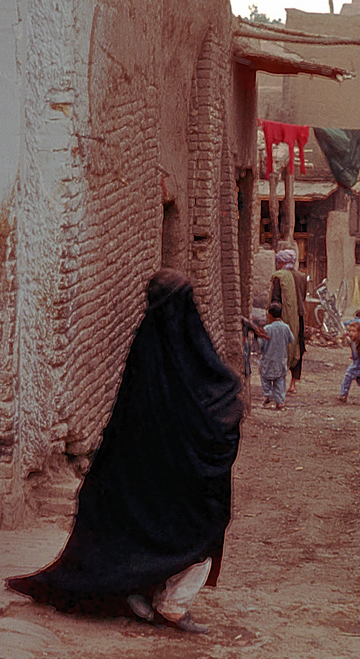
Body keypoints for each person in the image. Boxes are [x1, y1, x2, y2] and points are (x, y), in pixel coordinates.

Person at [6, 269, 243, 635]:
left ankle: (137, 593)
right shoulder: (188, 355)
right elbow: (211, 403)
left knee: (140, 524)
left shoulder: (146, 346)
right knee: (205, 526)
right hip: (182, 475)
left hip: (142, 471)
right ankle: (173, 606)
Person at [268, 248, 306, 393]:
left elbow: (275, 300)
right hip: (300, 316)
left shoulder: (279, 277)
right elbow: (302, 297)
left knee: (280, 348)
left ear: (282, 262)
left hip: (282, 317)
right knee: (297, 346)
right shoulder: (302, 277)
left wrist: (273, 318)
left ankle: (278, 381)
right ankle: (293, 384)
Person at [260, 302, 295, 409]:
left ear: (270, 314)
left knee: (265, 378)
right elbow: (291, 339)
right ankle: (279, 402)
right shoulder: (286, 327)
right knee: (280, 381)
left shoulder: (267, 329)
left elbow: (261, 345)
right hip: (281, 360)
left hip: (268, 360)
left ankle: (268, 395)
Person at [337, 320, 360, 403]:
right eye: (350, 331)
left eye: (354, 331)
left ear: (359, 332)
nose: (351, 333)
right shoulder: (352, 341)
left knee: (351, 376)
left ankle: (343, 395)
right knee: (357, 380)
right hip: (356, 362)